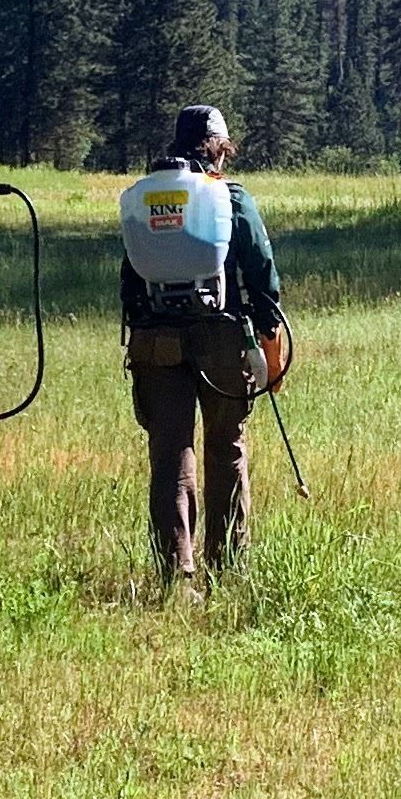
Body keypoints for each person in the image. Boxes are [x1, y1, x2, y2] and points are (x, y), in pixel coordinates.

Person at [121, 103, 287, 581]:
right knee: (225, 447)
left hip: (154, 339)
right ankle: (228, 565)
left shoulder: (144, 198)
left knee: (170, 453)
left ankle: (177, 573)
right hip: (221, 336)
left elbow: (130, 271)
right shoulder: (229, 196)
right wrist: (270, 344)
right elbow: (262, 275)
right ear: (220, 148)